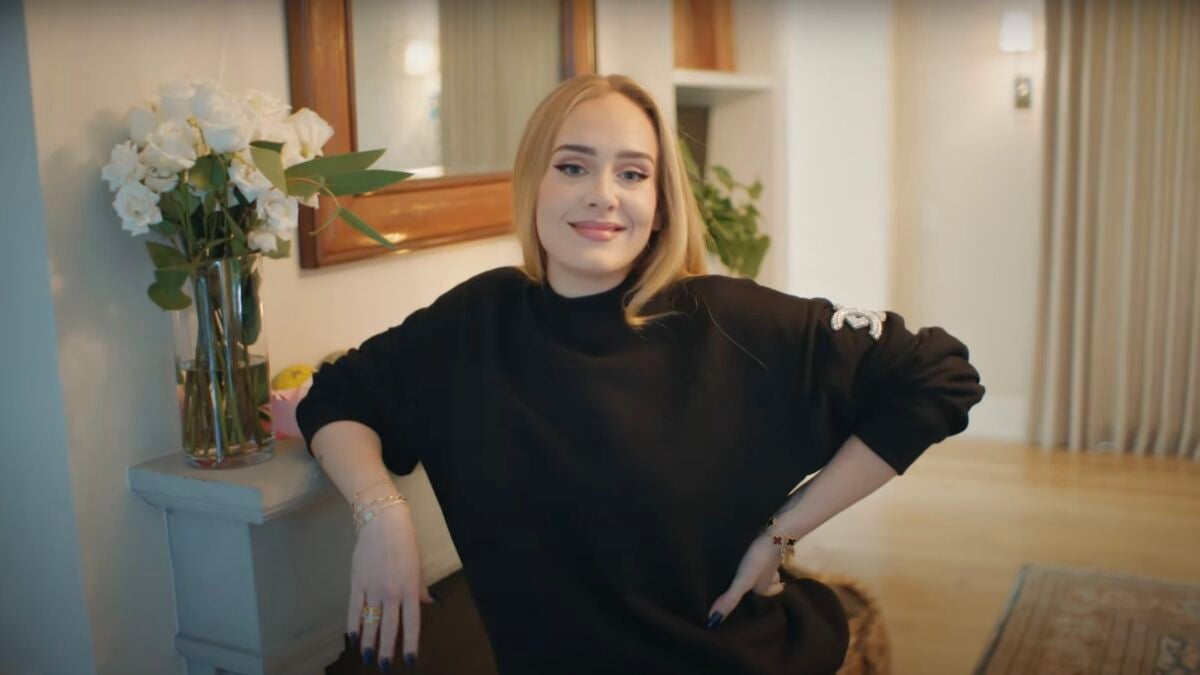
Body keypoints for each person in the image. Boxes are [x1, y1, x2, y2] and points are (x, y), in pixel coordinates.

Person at [296, 73, 986, 675]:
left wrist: (783, 531)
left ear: (659, 205)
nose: (603, 195)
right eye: (573, 166)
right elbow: (337, 396)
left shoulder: (726, 319)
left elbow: (939, 373)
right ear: (533, 181)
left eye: (632, 174)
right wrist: (382, 517)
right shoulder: (476, 320)